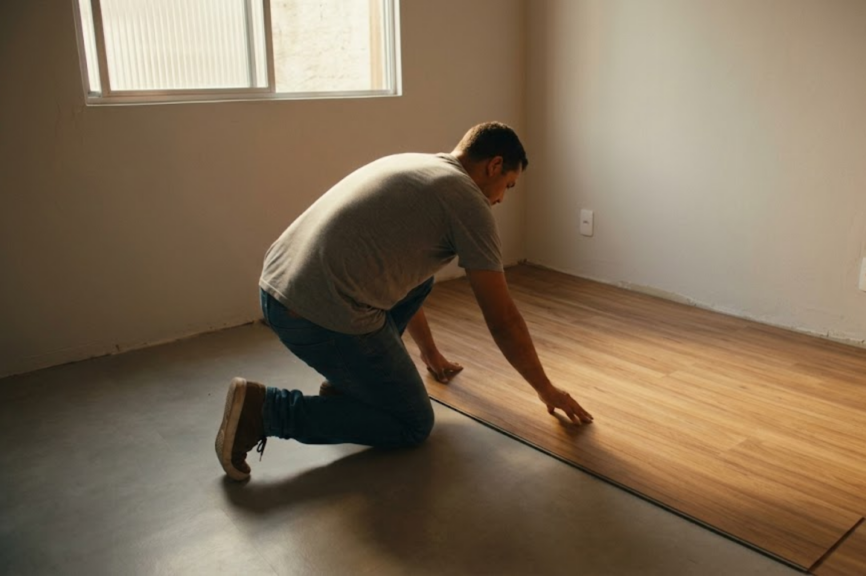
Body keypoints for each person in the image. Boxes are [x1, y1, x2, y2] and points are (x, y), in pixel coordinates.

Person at [215, 121, 594, 481]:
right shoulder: (467, 201)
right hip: (315, 314)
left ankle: (348, 386)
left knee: (420, 282)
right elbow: (502, 319)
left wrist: (430, 355)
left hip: (276, 290)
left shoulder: (413, 163)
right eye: (508, 185)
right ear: (494, 166)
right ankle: (266, 411)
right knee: (412, 423)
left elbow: (402, 280)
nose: (502, 198)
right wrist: (546, 389)